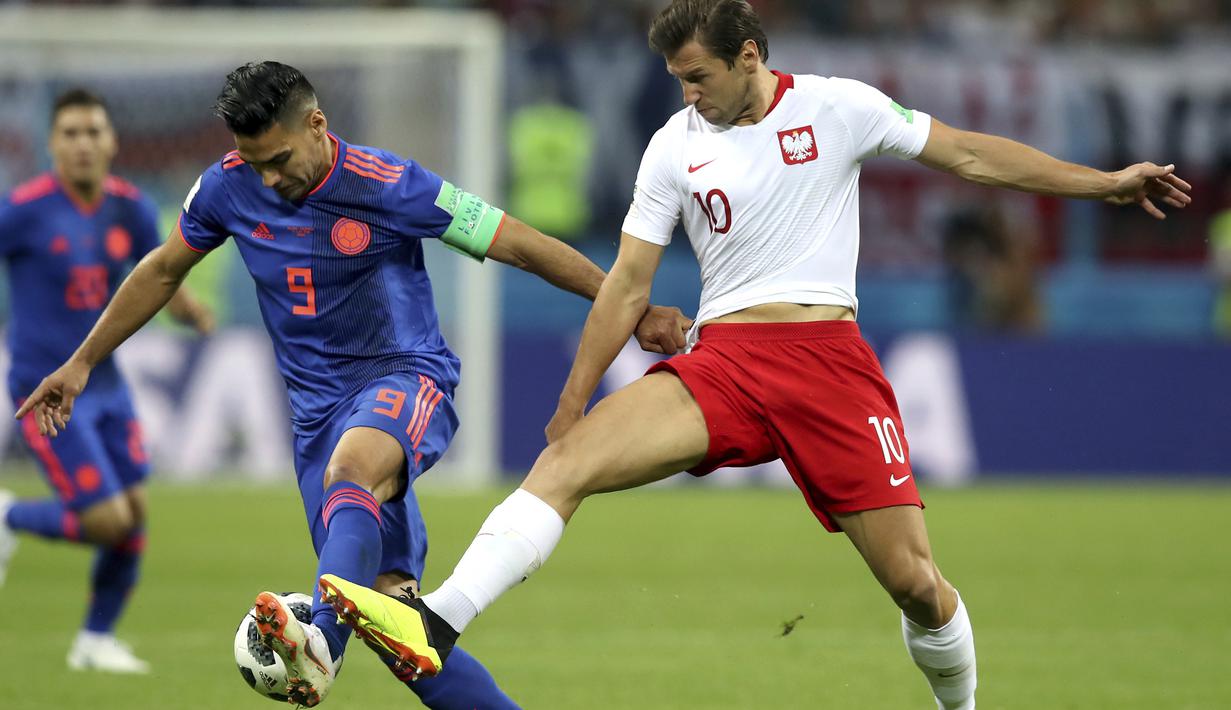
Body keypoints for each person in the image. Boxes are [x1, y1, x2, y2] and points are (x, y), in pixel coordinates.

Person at [314, 2, 1193, 709]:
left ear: (748, 55)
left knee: (917, 586)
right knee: (566, 464)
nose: (686, 94)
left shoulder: (839, 107)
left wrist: (1104, 181)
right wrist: (571, 400)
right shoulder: (673, 145)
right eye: (676, 80)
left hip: (829, 367)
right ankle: (438, 623)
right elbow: (627, 281)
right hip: (724, 362)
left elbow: (968, 154)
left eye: (697, 77)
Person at [16, 62, 687, 708]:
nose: (269, 178)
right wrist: (81, 362)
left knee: (352, 471)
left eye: (278, 159)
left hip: (402, 377)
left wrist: (629, 308)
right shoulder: (225, 187)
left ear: (316, 124)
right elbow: (163, 270)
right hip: (314, 418)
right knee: (401, 631)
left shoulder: (389, 183)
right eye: (255, 164)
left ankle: (319, 646)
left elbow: (518, 244)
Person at [0, 89, 214, 673]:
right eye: (70, 133)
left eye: (94, 131)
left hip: (108, 386)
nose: (83, 144)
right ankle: (9, 517)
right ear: (52, 145)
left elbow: (159, 275)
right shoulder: (23, 210)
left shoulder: (131, 207)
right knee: (105, 520)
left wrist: (189, 309)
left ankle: (95, 641)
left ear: (113, 141)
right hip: (45, 389)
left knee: (135, 517)